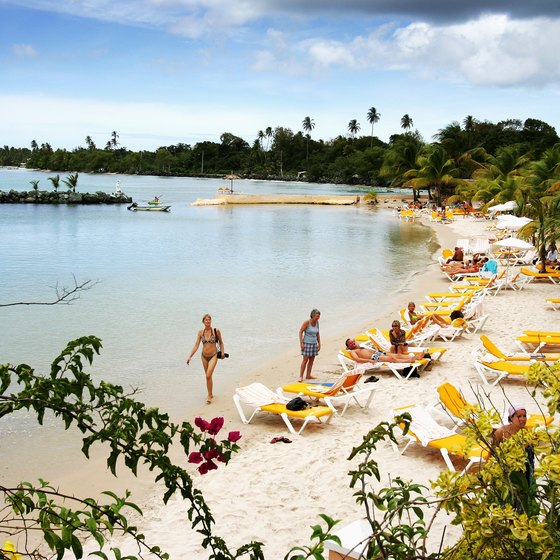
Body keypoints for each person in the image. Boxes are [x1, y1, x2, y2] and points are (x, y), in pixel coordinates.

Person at [492, 405, 537, 515]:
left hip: (525, 473)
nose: (522, 419)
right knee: (508, 504)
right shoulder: (500, 433)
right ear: (511, 418)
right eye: (518, 416)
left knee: (525, 504)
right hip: (508, 473)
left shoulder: (529, 433)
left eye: (524, 416)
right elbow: (493, 453)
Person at [186, 314, 224, 404]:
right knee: (208, 377)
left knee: (208, 375)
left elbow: (221, 343)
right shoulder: (200, 332)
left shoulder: (216, 331)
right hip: (204, 356)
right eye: (206, 320)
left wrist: (222, 353)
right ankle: (210, 393)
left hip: (213, 356)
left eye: (209, 319)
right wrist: (190, 356)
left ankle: (209, 396)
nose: (208, 321)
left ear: (211, 321)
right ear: (203, 321)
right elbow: (196, 345)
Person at [345, 338, 429, 378]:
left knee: (397, 355)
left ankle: (416, 356)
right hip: (374, 357)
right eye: (350, 344)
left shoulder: (359, 347)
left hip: (378, 353)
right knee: (392, 360)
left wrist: (354, 344)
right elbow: (357, 359)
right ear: (348, 347)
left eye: (353, 342)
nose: (353, 343)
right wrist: (369, 360)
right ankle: (411, 359)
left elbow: (356, 342)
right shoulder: (353, 351)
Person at [299, 309, 321, 381]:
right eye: (317, 316)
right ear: (312, 315)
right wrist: (301, 343)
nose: (318, 318)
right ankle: (301, 376)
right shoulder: (307, 322)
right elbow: (300, 331)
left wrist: (319, 343)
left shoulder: (317, 323)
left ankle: (308, 375)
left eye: (319, 316)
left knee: (311, 360)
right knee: (305, 360)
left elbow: (317, 333)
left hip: (314, 344)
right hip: (307, 343)